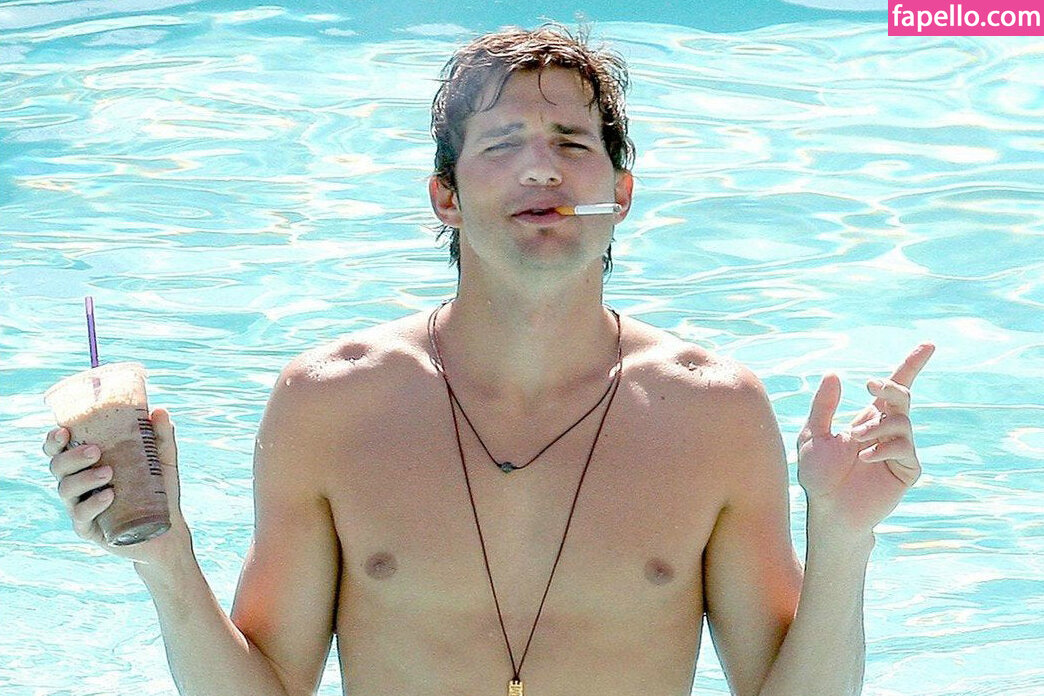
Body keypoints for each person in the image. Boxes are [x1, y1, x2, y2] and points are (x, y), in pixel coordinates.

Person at [45, 25, 934, 696]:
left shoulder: (714, 413)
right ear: (447, 197)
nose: (541, 171)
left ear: (621, 194)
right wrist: (166, 560)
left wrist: (845, 538)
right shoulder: (332, 403)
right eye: (502, 145)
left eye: (573, 145)